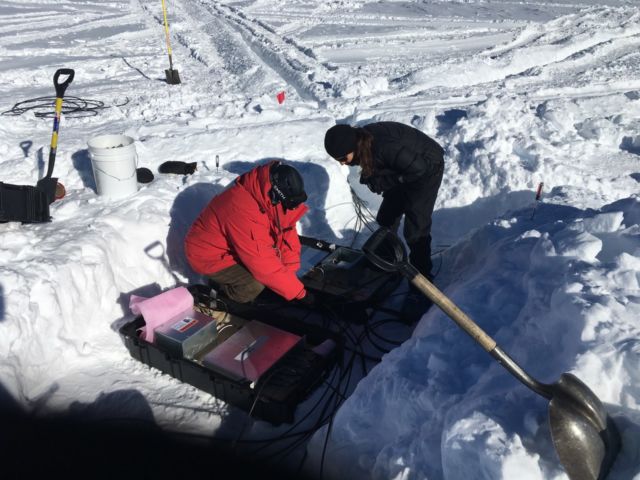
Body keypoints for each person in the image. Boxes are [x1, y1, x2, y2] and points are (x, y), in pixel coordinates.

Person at [324, 122, 444, 315]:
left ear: (352, 147)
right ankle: (386, 260)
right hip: (407, 168)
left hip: (428, 167)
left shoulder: (383, 147)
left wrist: (390, 180)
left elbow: (418, 170)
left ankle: (422, 285)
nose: (341, 163)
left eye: (342, 158)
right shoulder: (364, 143)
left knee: (415, 230)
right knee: (386, 218)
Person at [184, 161, 314, 305]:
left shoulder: (266, 189)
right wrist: (299, 293)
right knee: (253, 286)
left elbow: (286, 228)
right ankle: (220, 292)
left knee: (277, 274)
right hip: (209, 254)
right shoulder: (242, 210)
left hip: (234, 244)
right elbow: (262, 263)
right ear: (276, 196)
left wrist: (290, 272)